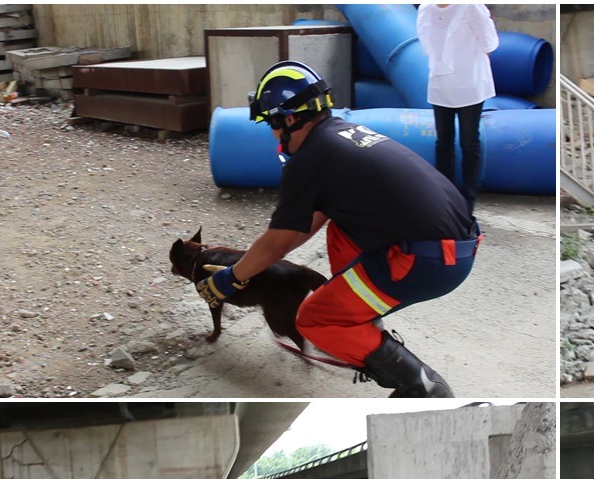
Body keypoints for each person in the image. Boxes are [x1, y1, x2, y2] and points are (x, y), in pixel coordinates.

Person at [197, 61, 481, 398]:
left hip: (428, 263)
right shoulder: (345, 135)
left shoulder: (310, 159)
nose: (272, 134)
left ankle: (421, 385)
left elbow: (278, 243)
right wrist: (249, 265)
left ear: (287, 119)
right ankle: (360, 323)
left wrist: (229, 278)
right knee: (339, 227)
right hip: (457, 246)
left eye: (271, 124)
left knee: (314, 321)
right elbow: (304, 225)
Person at [416, 3, 499, 209]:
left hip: (470, 83)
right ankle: (446, 196)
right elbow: (426, 44)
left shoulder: (471, 6)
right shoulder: (426, 8)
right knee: (444, 142)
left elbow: (488, 42)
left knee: (468, 142)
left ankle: (467, 199)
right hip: (441, 83)